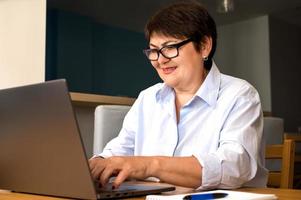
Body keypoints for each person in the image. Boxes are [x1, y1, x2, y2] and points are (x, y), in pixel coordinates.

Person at [89, 0, 268, 190]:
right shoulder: (147, 98)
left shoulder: (240, 95)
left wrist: (150, 165)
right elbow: (119, 150)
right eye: (154, 50)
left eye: (170, 47)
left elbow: (235, 165)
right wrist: (99, 162)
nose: (160, 60)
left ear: (205, 46)